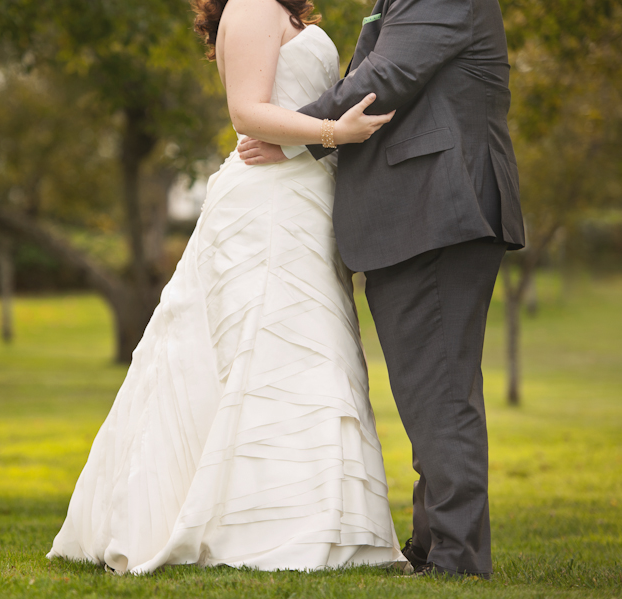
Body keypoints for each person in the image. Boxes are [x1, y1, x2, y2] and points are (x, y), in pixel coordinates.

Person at [47, 0, 408, 574]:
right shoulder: (249, 5)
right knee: (265, 347)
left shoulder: (288, 14)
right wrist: (333, 133)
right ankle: (257, 526)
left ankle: (323, 524)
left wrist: (318, 142)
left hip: (306, 195)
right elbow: (247, 113)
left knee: (311, 352)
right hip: (267, 202)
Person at [237, 0, 525, 580]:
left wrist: (296, 136)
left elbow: (384, 79)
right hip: (418, 211)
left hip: (436, 206)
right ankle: (433, 543)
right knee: (432, 387)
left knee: (440, 389)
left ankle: (456, 558)